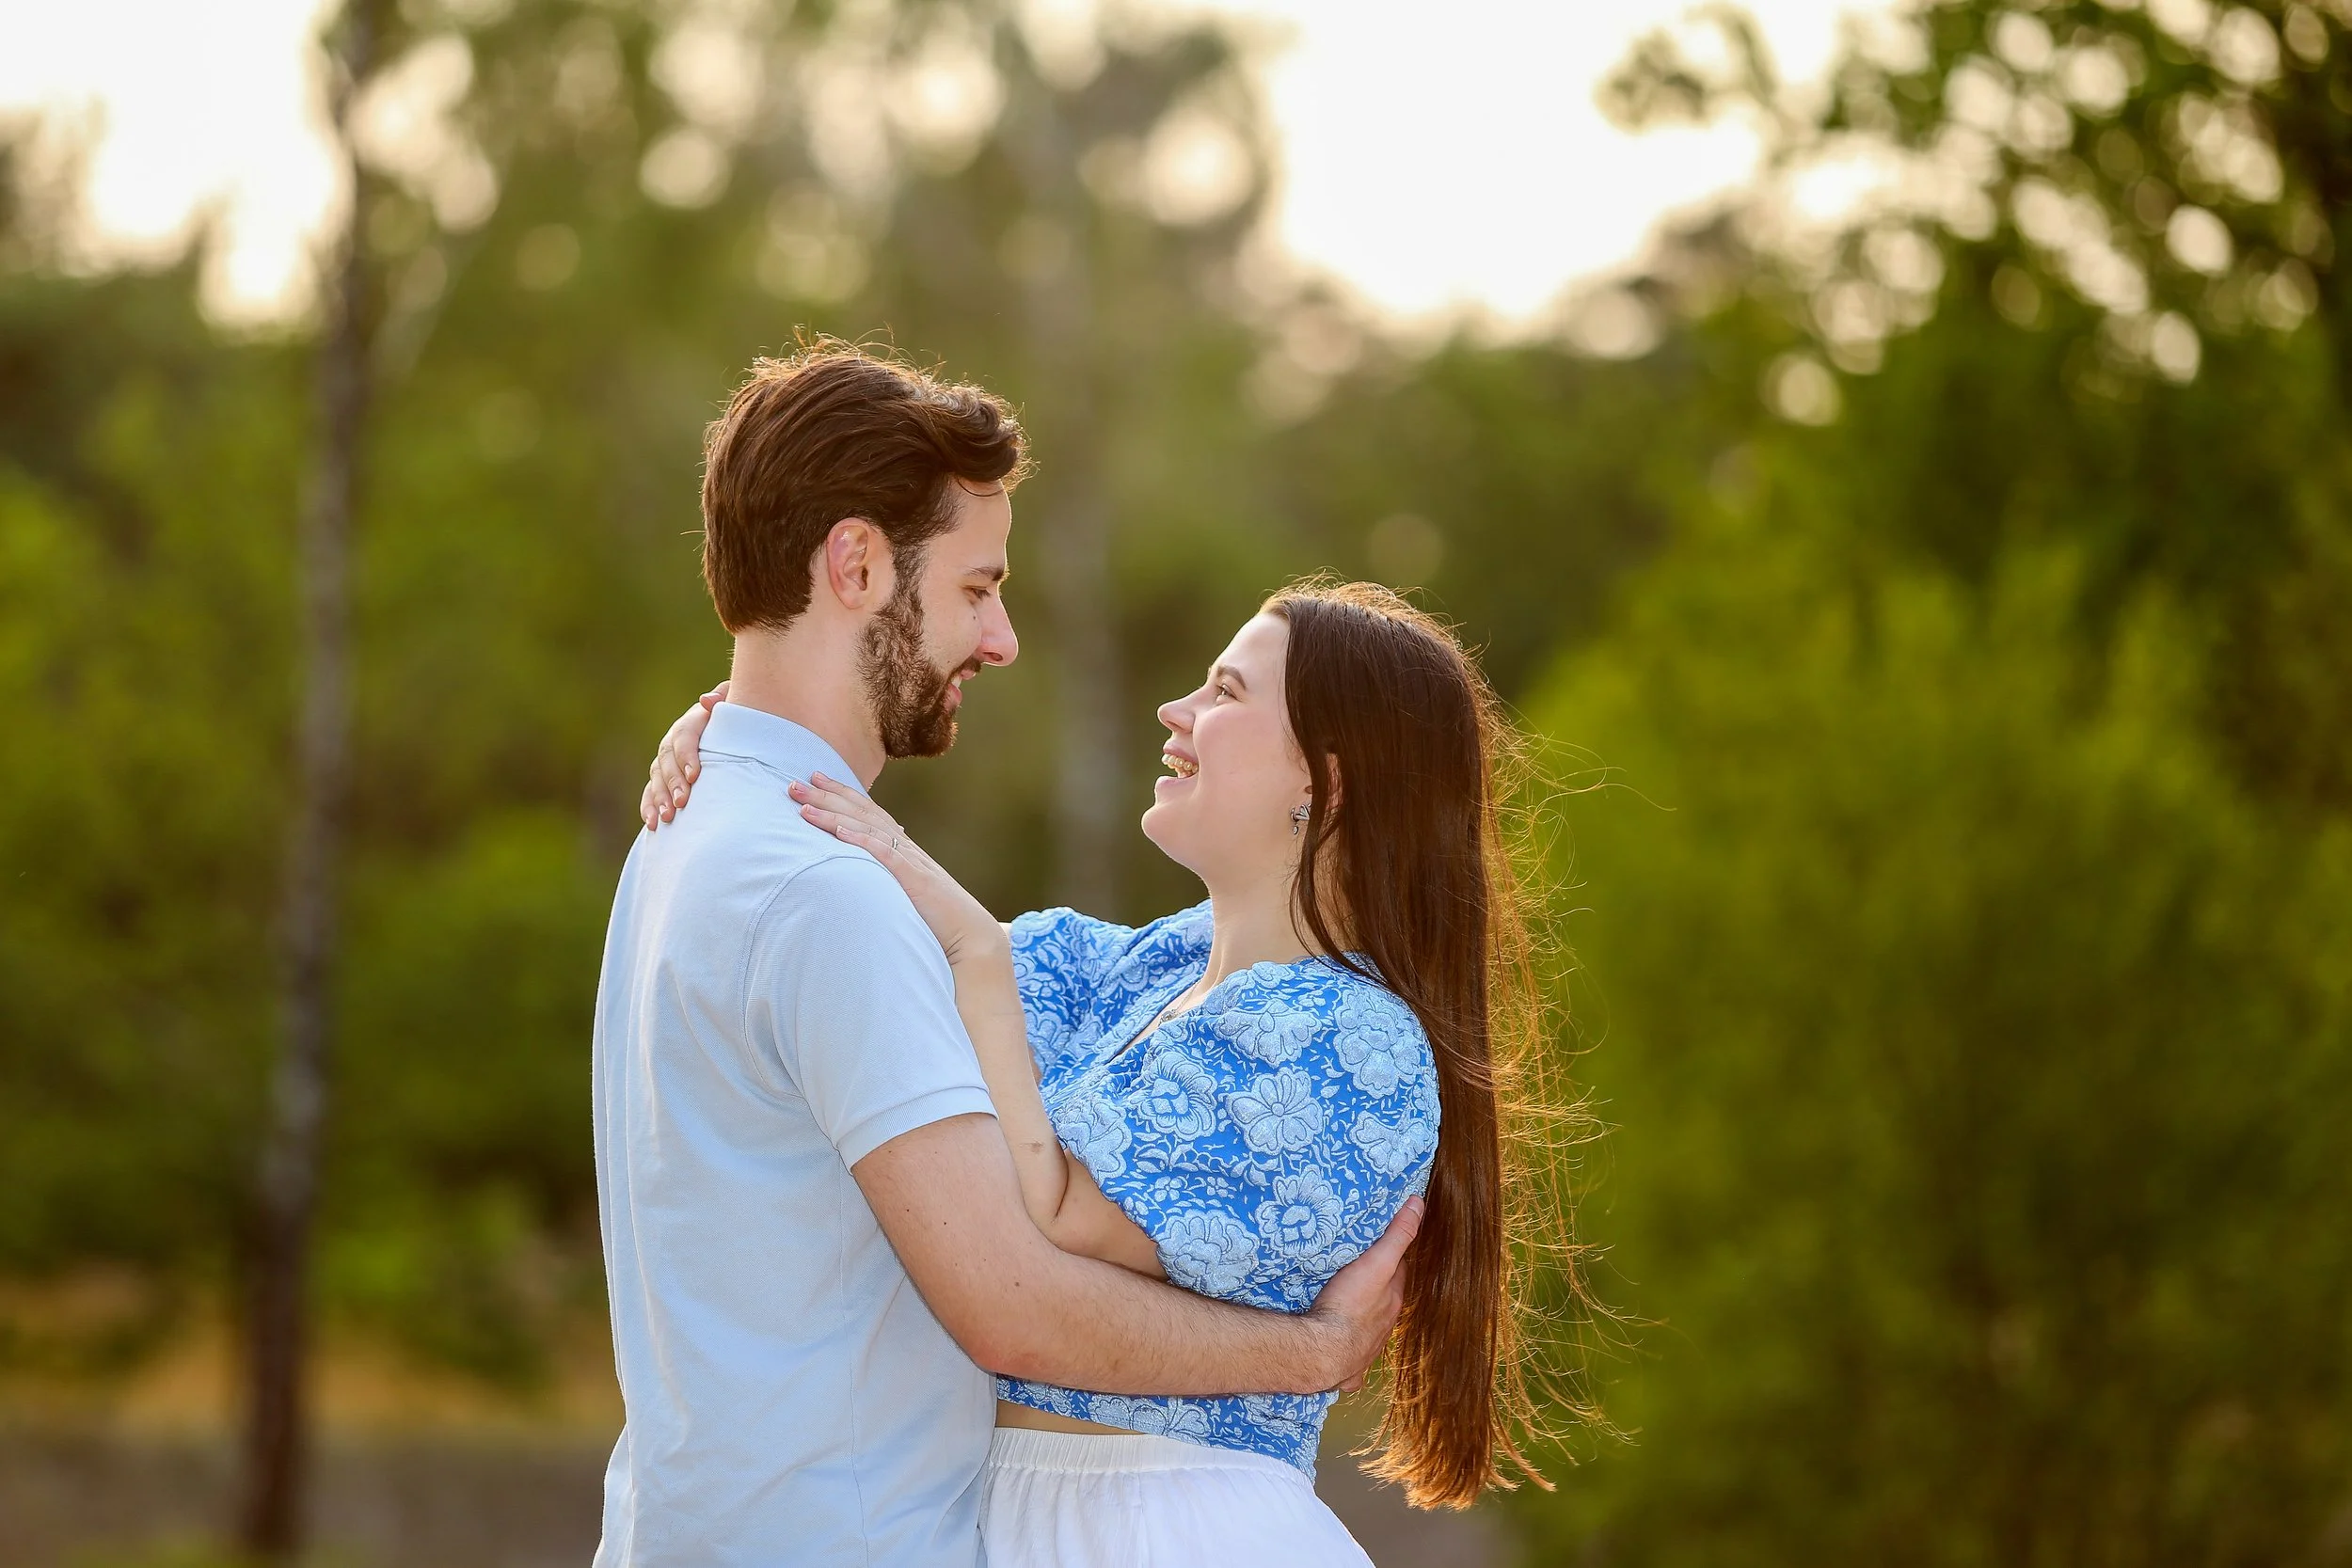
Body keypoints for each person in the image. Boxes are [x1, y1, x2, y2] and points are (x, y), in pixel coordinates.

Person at [593, 343, 1422, 1568]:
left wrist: (719, 716)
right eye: (978, 587)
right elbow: (1009, 1302)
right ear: (858, 565)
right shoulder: (827, 892)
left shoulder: (684, 832)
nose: (1002, 637)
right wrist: (1312, 1354)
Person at [646, 579, 1558, 1563]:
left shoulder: (1349, 1042)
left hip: (1171, 1524)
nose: (1178, 710)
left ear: (1323, 781)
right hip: (1018, 1515)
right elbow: (906, 958)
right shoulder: (1149, 967)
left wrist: (978, 956)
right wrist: (731, 729)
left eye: (1224, 692)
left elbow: (1052, 1212)